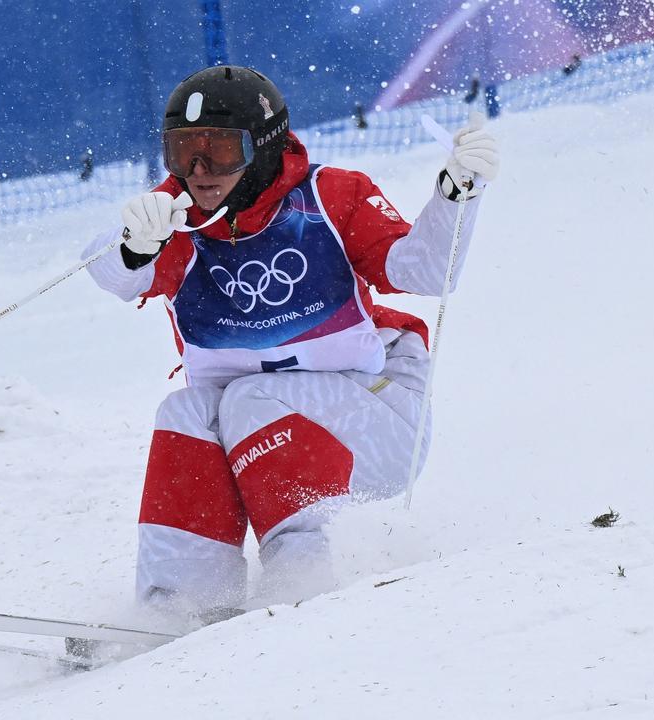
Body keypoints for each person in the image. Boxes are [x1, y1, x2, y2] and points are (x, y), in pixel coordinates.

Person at [83, 65, 500, 618]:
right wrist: (133, 245)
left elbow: (426, 271)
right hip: (263, 427)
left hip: (380, 414)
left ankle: (303, 578)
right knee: (184, 411)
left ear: (262, 148)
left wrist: (455, 197)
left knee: (248, 398)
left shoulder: (330, 196)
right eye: (183, 152)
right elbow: (114, 274)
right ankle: (181, 601)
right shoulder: (176, 220)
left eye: (220, 151)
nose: (200, 171)